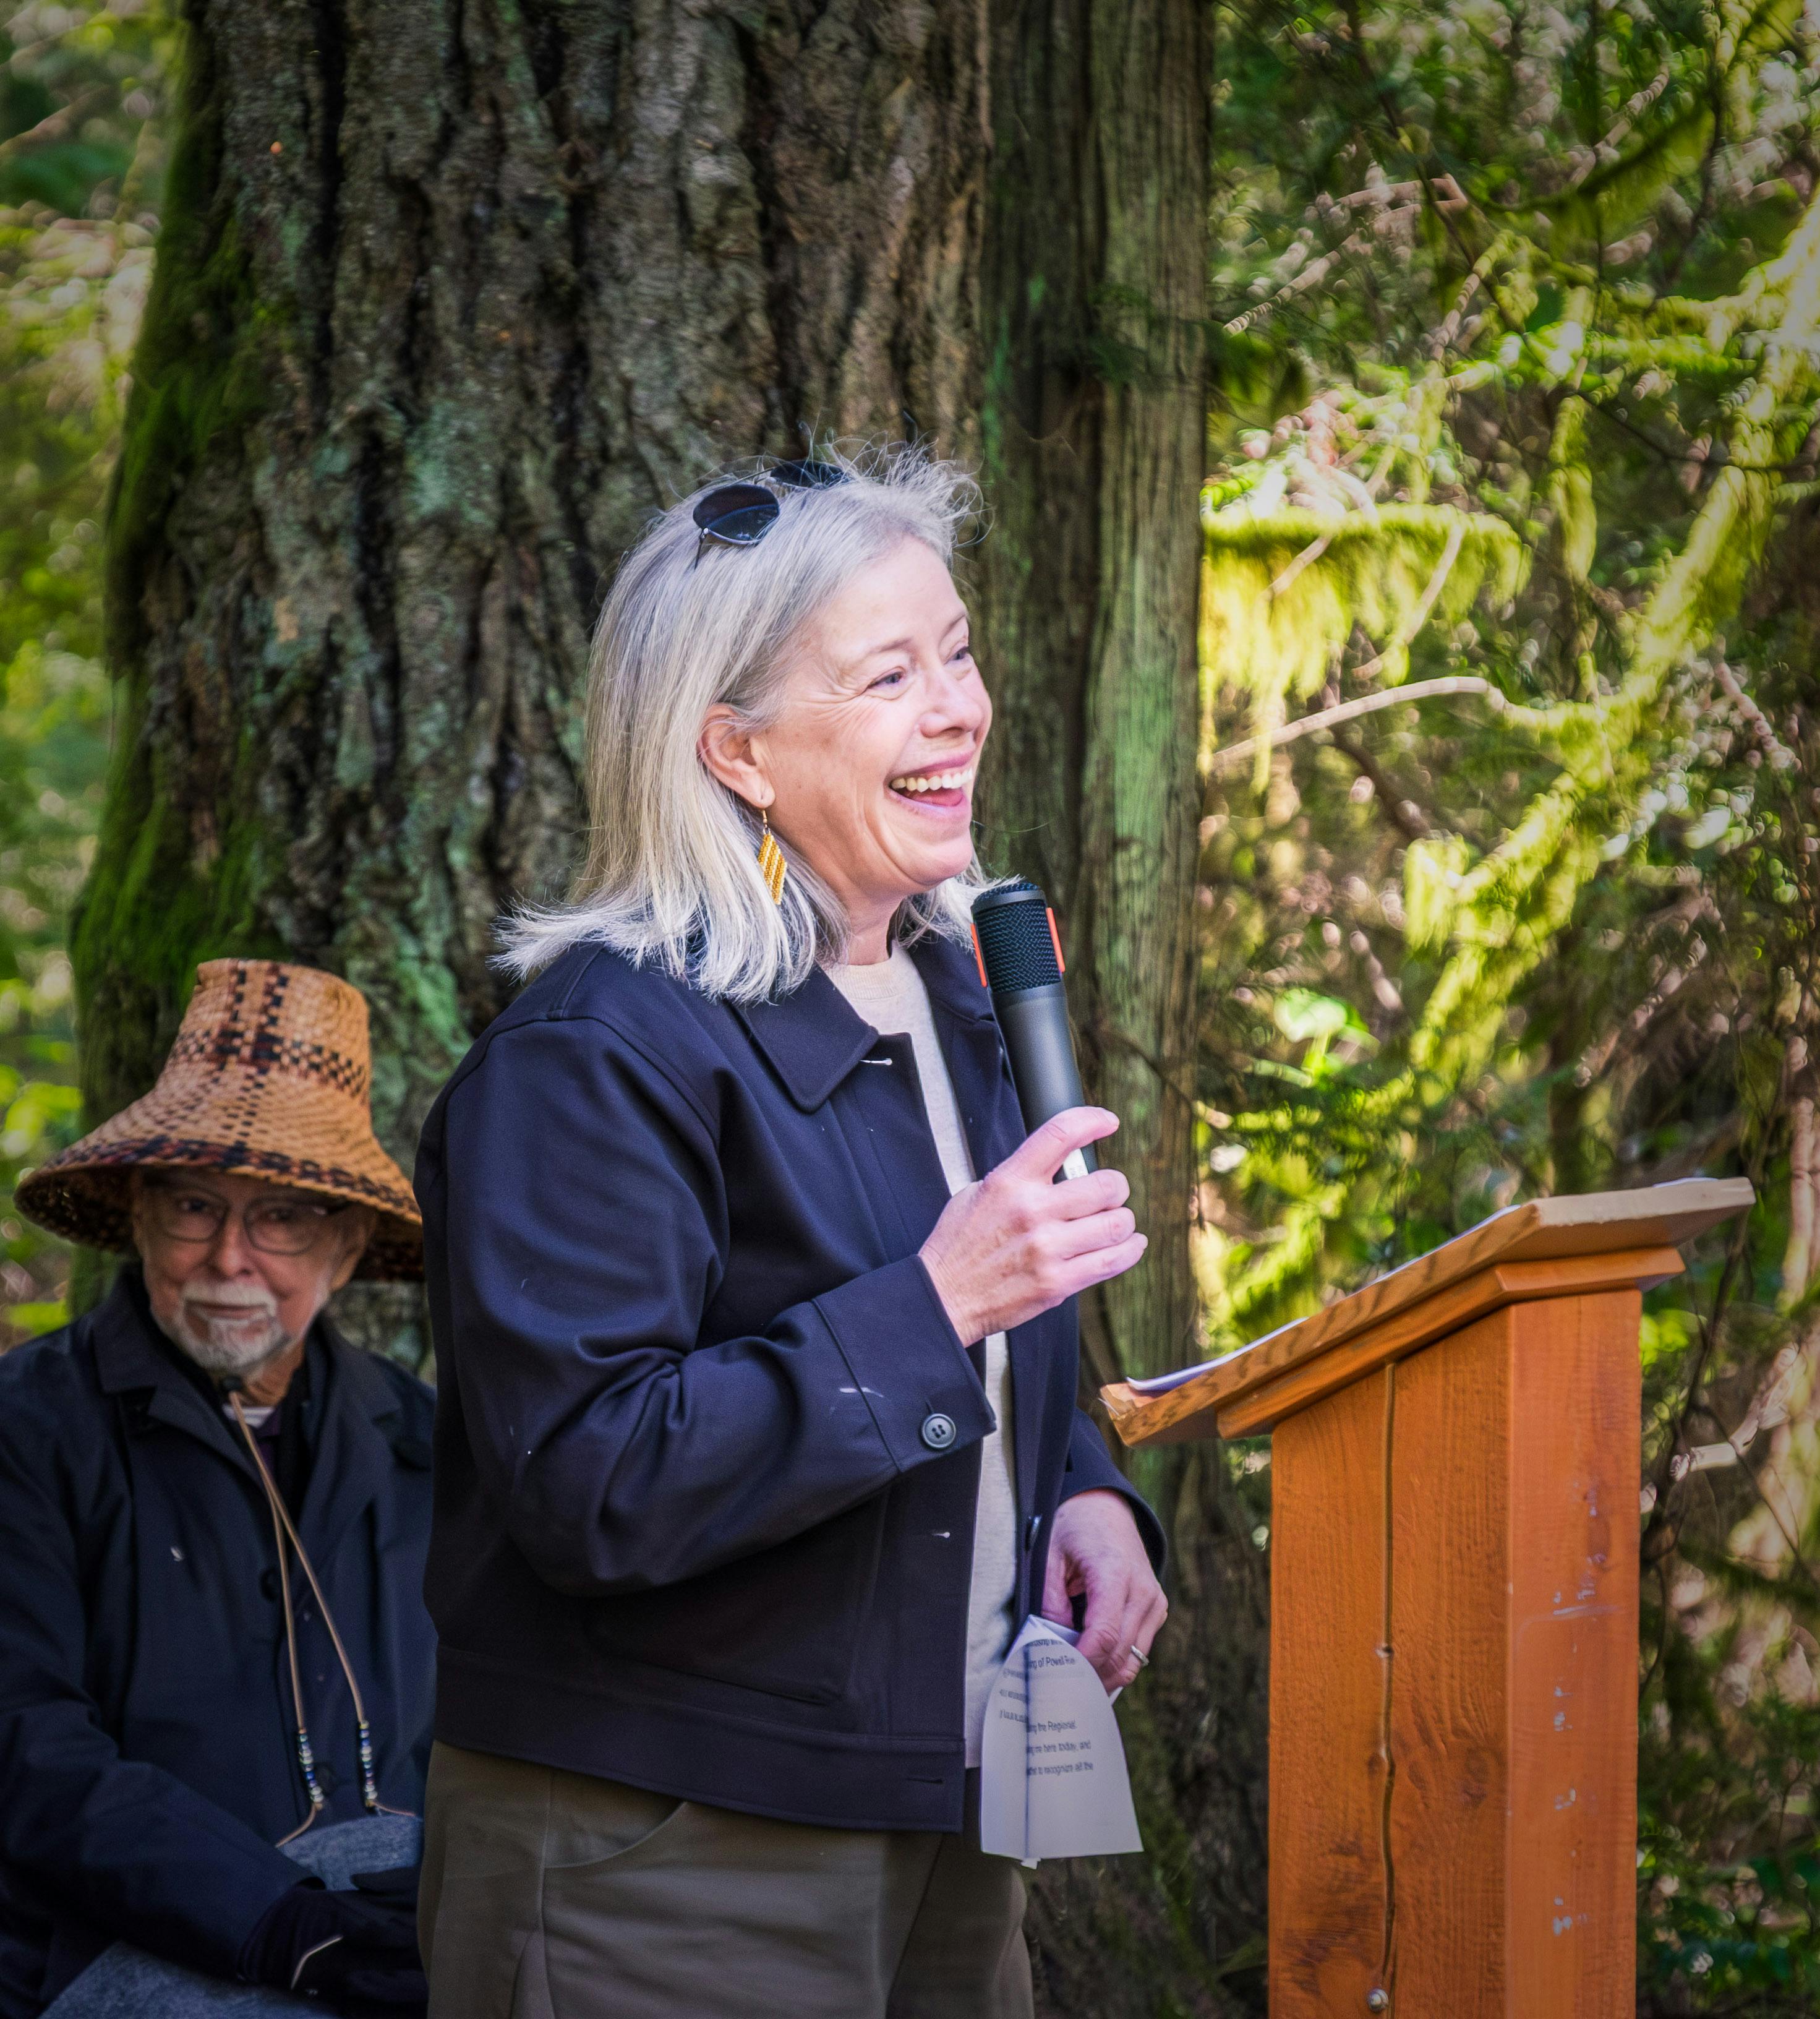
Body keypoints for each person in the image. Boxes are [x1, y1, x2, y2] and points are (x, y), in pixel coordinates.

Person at [415, 448, 1169, 2018]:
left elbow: (996, 1331)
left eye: (954, 652)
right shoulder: (597, 1055)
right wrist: (938, 1302)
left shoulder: (959, 997)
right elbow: (592, 1483)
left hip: (945, 1809)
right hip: (666, 1852)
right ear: (736, 752)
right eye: (888, 674)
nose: (956, 706)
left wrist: (1082, 1495)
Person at [0, 960, 437, 2018]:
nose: (230, 1258)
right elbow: (24, 1742)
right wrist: (277, 1922)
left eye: (282, 1217)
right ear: (141, 1215)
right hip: (107, 1945)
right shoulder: (27, 1426)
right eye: (196, 1207)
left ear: (344, 1241)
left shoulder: (422, 1438)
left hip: (404, 1924)